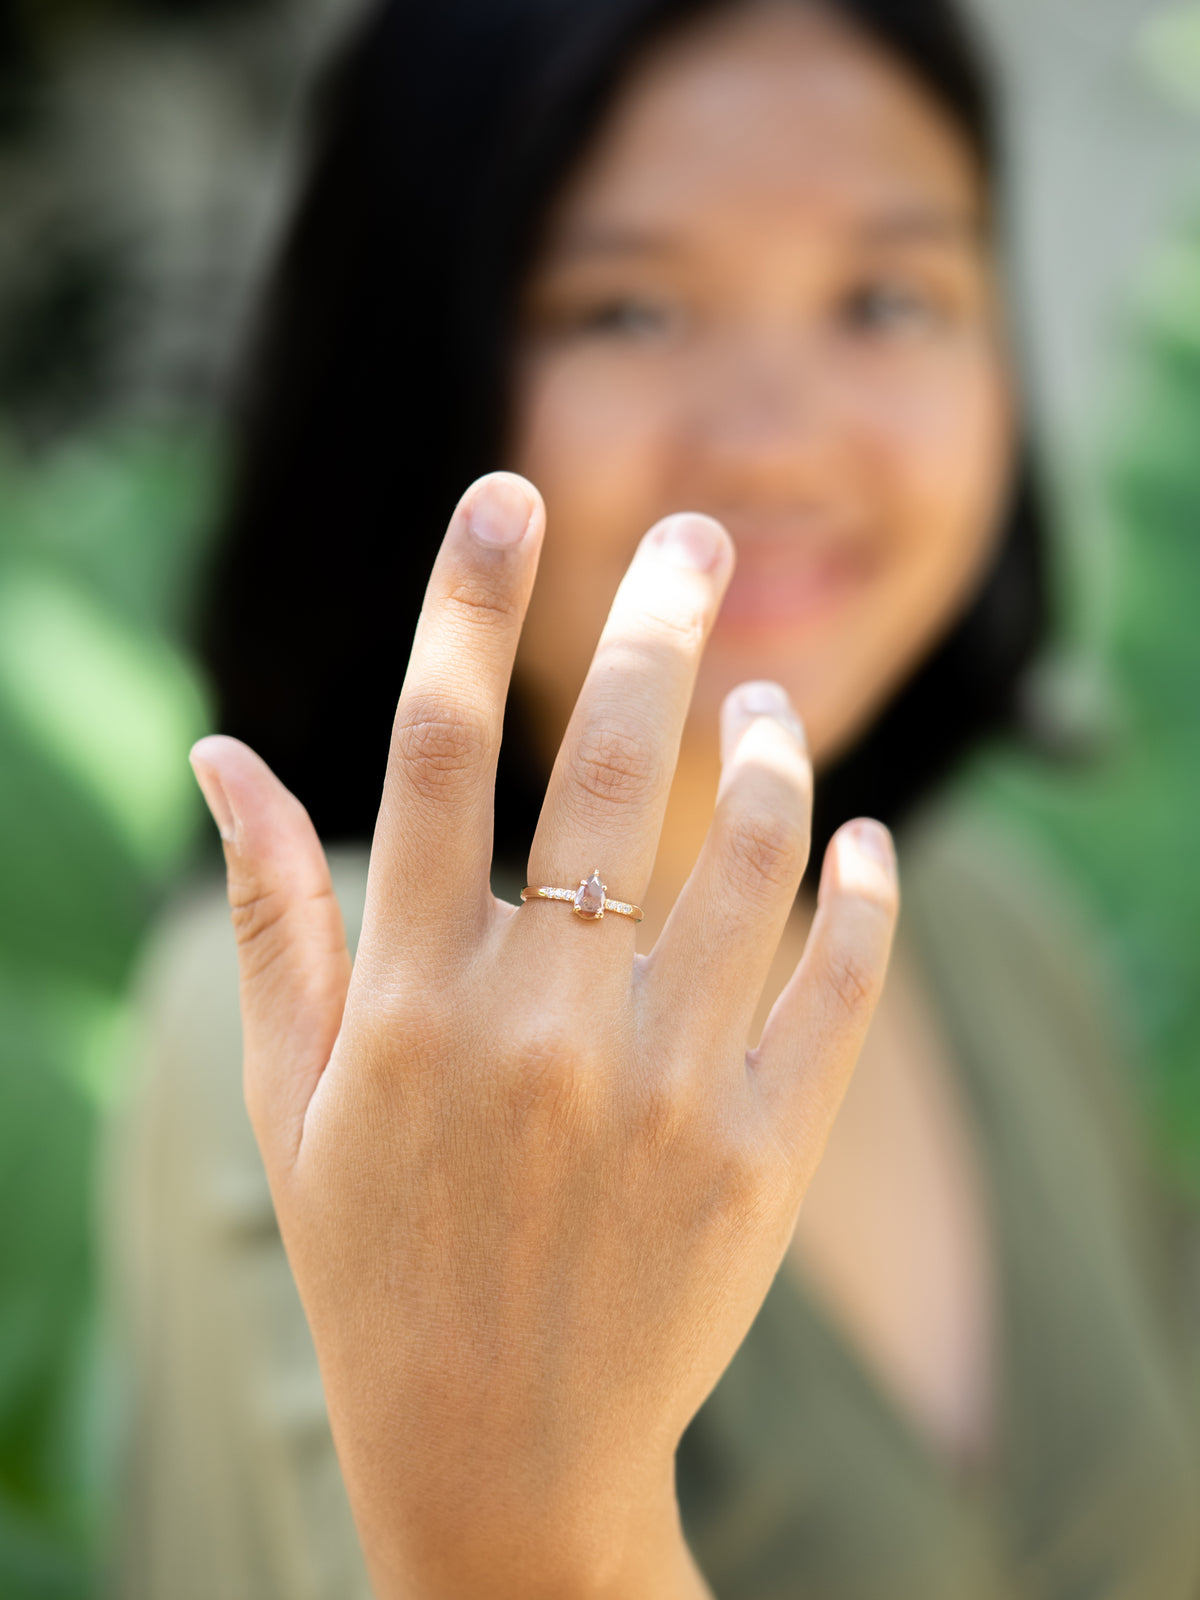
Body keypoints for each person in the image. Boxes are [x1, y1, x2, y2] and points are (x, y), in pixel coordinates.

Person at [106, 1, 1200, 1596]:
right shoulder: (320, 1026)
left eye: (889, 300)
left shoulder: (986, 928)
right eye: (626, 311)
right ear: (414, 368)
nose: (777, 444)